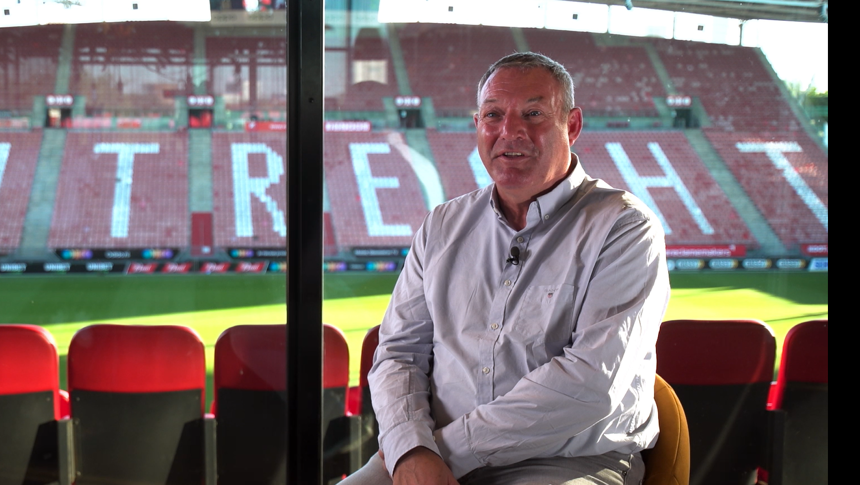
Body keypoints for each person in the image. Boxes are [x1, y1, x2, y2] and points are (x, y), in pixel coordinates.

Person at [342, 51, 670, 485]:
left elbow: (591, 384)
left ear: (572, 125)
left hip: (565, 463)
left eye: (533, 114)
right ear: (477, 124)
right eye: (493, 115)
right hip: (427, 451)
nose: (509, 131)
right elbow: (399, 353)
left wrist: (444, 453)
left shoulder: (623, 227)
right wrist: (410, 450)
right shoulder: (441, 226)